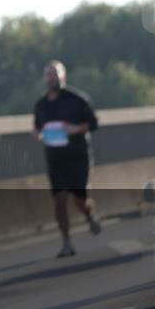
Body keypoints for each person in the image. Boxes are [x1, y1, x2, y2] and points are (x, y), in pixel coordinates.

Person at [33, 60, 101, 258]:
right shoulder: (41, 105)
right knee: (59, 199)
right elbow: (37, 128)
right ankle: (66, 243)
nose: (52, 77)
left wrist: (75, 129)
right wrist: (37, 134)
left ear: (63, 76)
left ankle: (89, 214)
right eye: (49, 74)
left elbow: (94, 123)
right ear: (45, 78)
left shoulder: (78, 99)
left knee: (80, 199)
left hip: (78, 156)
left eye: (56, 73)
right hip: (55, 159)